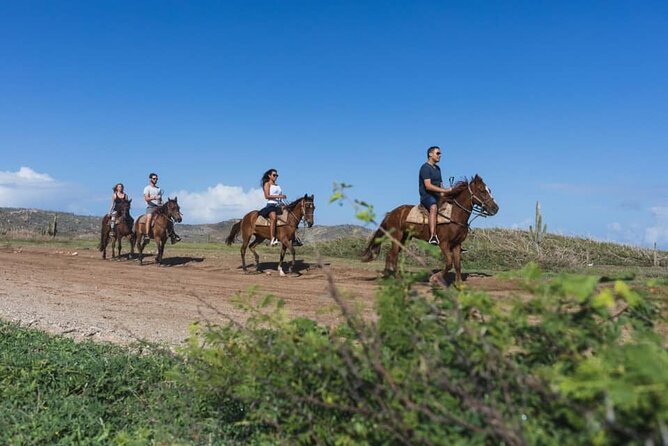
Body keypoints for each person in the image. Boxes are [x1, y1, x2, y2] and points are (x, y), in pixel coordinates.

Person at [419, 146, 453, 245]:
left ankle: (455, 239)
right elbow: (428, 186)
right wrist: (444, 190)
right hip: (427, 196)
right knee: (433, 207)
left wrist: (447, 194)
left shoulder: (438, 169)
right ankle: (433, 236)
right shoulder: (425, 168)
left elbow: (441, 185)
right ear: (430, 154)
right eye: (438, 153)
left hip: (438, 196)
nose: (440, 155)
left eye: (440, 154)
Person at [143, 173, 181, 244]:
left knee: (169, 218)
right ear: (150, 179)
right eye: (154, 178)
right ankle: (147, 235)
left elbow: (160, 199)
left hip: (158, 207)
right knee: (149, 218)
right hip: (150, 207)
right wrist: (154, 197)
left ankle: (173, 236)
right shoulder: (147, 188)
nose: (155, 180)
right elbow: (146, 198)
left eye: (156, 179)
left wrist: (162, 204)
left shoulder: (159, 189)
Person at [258, 169, 287, 246]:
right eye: (274, 175)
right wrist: (279, 196)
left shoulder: (277, 186)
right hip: (271, 205)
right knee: (273, 218)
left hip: (279, 205)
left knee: (290, 216)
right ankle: (272, 239)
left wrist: (283, 204)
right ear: (269, 176)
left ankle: (292, 238)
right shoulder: (267, 184)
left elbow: (280, 198)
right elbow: (267, 196)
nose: (276, 177)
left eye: (276, 175)